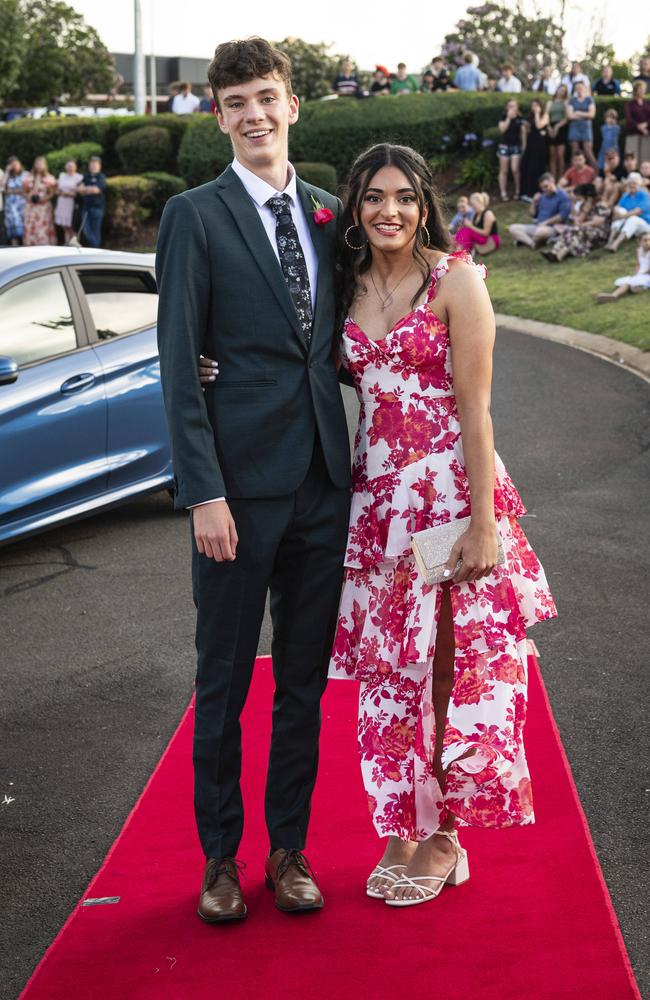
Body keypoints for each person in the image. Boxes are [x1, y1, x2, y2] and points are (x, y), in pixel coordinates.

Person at [327, 142, 556, 905]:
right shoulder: (346, 287)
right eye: (372, 197)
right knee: (395, 672)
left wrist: (484, 524)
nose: (388, 211)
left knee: (451, 668)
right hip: (379, 509)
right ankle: (406, 821)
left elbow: (476, 411)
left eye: (402, 197)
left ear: (423, 203)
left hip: (450, 500)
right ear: (355, 207)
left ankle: (447, 838)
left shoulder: (456, 281)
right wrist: (212, 366)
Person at [157, 37, 351, 924]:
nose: (255, 115)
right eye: (237, 102)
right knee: (225, 684)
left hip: (323, 485)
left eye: (267, 97)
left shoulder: (326, 212)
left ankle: (289, 849)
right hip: (234, 495)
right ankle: (220, 860)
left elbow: (348, 337)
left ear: (293, 105)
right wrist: (203, 492)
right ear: (219, 116)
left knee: (303, 683)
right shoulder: (194, 215)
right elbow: (175, 363)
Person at [540, 183, 611, 261]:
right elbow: (578, 221)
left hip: (600, 232)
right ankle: (554, 252)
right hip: (587, 230)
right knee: (571, 232)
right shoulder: (585, 205)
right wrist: (584, 211)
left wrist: (582, 225)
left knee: (574, 231)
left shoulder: (602, 205)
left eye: (581, 197)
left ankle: (560, 255)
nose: (580, 199)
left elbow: (598, 222)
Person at [508, 172, 571, 248]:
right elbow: (532, 214)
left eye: (546, 186)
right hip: (538, 225)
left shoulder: (563, 196)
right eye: (542, 188)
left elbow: (562, 216)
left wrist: (546, 222)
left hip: (553, 227)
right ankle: (532, 243)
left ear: (552, 182)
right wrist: (533, 203)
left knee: (540, 232)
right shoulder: (542, 196)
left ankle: (524, 240)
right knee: (512, 228)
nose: (544, 190)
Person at [595, 232, 650, 301]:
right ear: (639, 242)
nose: (648, 242)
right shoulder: (639, 250)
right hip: (641, 274)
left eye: (649, 240)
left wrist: (642, 274)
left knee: (629, 283)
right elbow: (638, 264)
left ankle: (614, 295)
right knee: (630, 285)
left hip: (647, 275)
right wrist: (635, 274)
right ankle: (636, 287)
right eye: (645, 240)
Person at [605, 171, 650, 250]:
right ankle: (610, 241)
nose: (632, 185)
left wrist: (622, 216)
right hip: (629, 222)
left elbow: (638, 211)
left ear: (639, 184)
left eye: (634, 183)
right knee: (621, 211)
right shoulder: (626, 195)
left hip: (645, 224)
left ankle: (616, 244)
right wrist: (617, 212)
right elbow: (617, 207)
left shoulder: (644, 195)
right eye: (630, 183)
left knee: (633, 218)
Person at [519, 98, 550, 200]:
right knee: (527, 167)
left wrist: (537, 114)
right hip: (530, 143)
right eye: (533, 106)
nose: (534, 108)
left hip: (540, 144)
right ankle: (525, 192)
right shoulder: (529, 117)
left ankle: (536, 192)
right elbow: (528, 130)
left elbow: (539, 125)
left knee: (536, 168)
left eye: (536, 105)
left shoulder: (545, 116)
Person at [497, 98, 526, 201]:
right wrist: (508, 118)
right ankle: (503, 192)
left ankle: (518, 191)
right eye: (509, 106)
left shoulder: (520, 118)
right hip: (504, 146)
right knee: (504, 170)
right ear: (506, 107)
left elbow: (523, 133)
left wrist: (524, 146)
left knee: (515, 169)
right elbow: (502, 129)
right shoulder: (503, 117)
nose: (511, 108)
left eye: (513, 106)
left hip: (516, 146)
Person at [22, 156, 56, 246]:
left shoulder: (49, 178)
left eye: (41, 163)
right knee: (30, 226)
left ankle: (44, 246)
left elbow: (52, 193)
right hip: (31, 206)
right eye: (38, 163)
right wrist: (29, 197)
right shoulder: (28, 177)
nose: (39, 165)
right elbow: (24, 191)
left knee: (43, 227)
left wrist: (43, 199)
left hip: (43, 207)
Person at [453, 191, 500, 255]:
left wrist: (470, 226)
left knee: (467, 230)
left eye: (473, 204)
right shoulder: (476, 214)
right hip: (481, 238)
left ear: (479, 202)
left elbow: (486, 233)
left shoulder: (488, 213)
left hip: (490, 239)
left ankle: (461, 251)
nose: (472, 207)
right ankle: (459, 249)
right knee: (463, 230)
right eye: (471, 205)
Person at [77, 155, 107, 248]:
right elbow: (79, 189)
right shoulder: (85, 176)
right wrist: (88, 189)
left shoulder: (101, 177)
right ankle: (93, 249)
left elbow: (96, 190)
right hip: (85, 207)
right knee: (86, 230)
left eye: (95, 164)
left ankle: (95, 249)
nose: (93, 166)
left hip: (97, 208)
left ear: (99, 166)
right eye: (91, 164)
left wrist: (85, 189)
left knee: (95, 231)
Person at [567, 80, 596, 166]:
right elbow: (570, 116)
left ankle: (597, 174)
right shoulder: (572, 100)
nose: (579, 89)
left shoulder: (589, 100)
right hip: (574, 128)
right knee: (574, 152)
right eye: (577, 88)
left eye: (581, 87)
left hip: (586, 128)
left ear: (584, 88)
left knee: (588, 151)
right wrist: (585, 115)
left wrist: (578, 113)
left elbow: (592, 114)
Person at [54, 159, 83, 244]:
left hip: (72, 203)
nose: (70, 168)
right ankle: (67, 243)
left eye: (72, 166)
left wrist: (69, 194)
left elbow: (80, 192)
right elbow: (56, 190)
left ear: (75, 167)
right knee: (64, 225)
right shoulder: (62, 175)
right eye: (68, 166)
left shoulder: (79, 177)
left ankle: (75, 243)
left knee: (72, 225)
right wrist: (60, 193)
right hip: (62, 202)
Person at [1, 156, 27, 245]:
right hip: (10, 207)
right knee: (11, 228)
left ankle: (24, 245)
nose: (14, 166)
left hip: (21, 205)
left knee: (23, 227)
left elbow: (26, 189)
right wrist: (7, 172)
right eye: (12, 165)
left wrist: (11, 191)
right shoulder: (8, 176)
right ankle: (14, 247)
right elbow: (2, 187)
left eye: (16, 164)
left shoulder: (25, 174)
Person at [546, 83, 570, 181]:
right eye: (560, 89)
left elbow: (567, 117)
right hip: (550, 127)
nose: (561, 91)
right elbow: (547, 115)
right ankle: (553, 178)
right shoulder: (550, 103)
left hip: (561, 128)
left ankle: (561, 178)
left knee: (560, 155)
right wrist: (548, 127)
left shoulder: (566, 102)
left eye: (564, 90)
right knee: (552, 155)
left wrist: (557, 126)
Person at [624, 81, 650, 163]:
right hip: (633, 133)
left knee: (645, 158)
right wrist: (639, 127)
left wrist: (646, 125)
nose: (642, 91)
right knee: (632, 158)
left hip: (646, 133)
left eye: (643, 89)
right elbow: (629, 118)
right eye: (640, 89)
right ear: (635, 90)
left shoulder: (647, 103)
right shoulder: (629, 104)